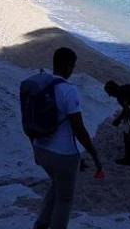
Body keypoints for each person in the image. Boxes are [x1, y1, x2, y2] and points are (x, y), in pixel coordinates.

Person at [32, 47, 103, 229]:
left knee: (57, 186)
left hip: (41, 149)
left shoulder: (41, 85)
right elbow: (78, 128)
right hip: (63, 155)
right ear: (69, 66)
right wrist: (94, 155)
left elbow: (30, 119)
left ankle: (41, 224)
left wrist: (34, 148)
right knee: (64, 200)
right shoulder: (68, 90)